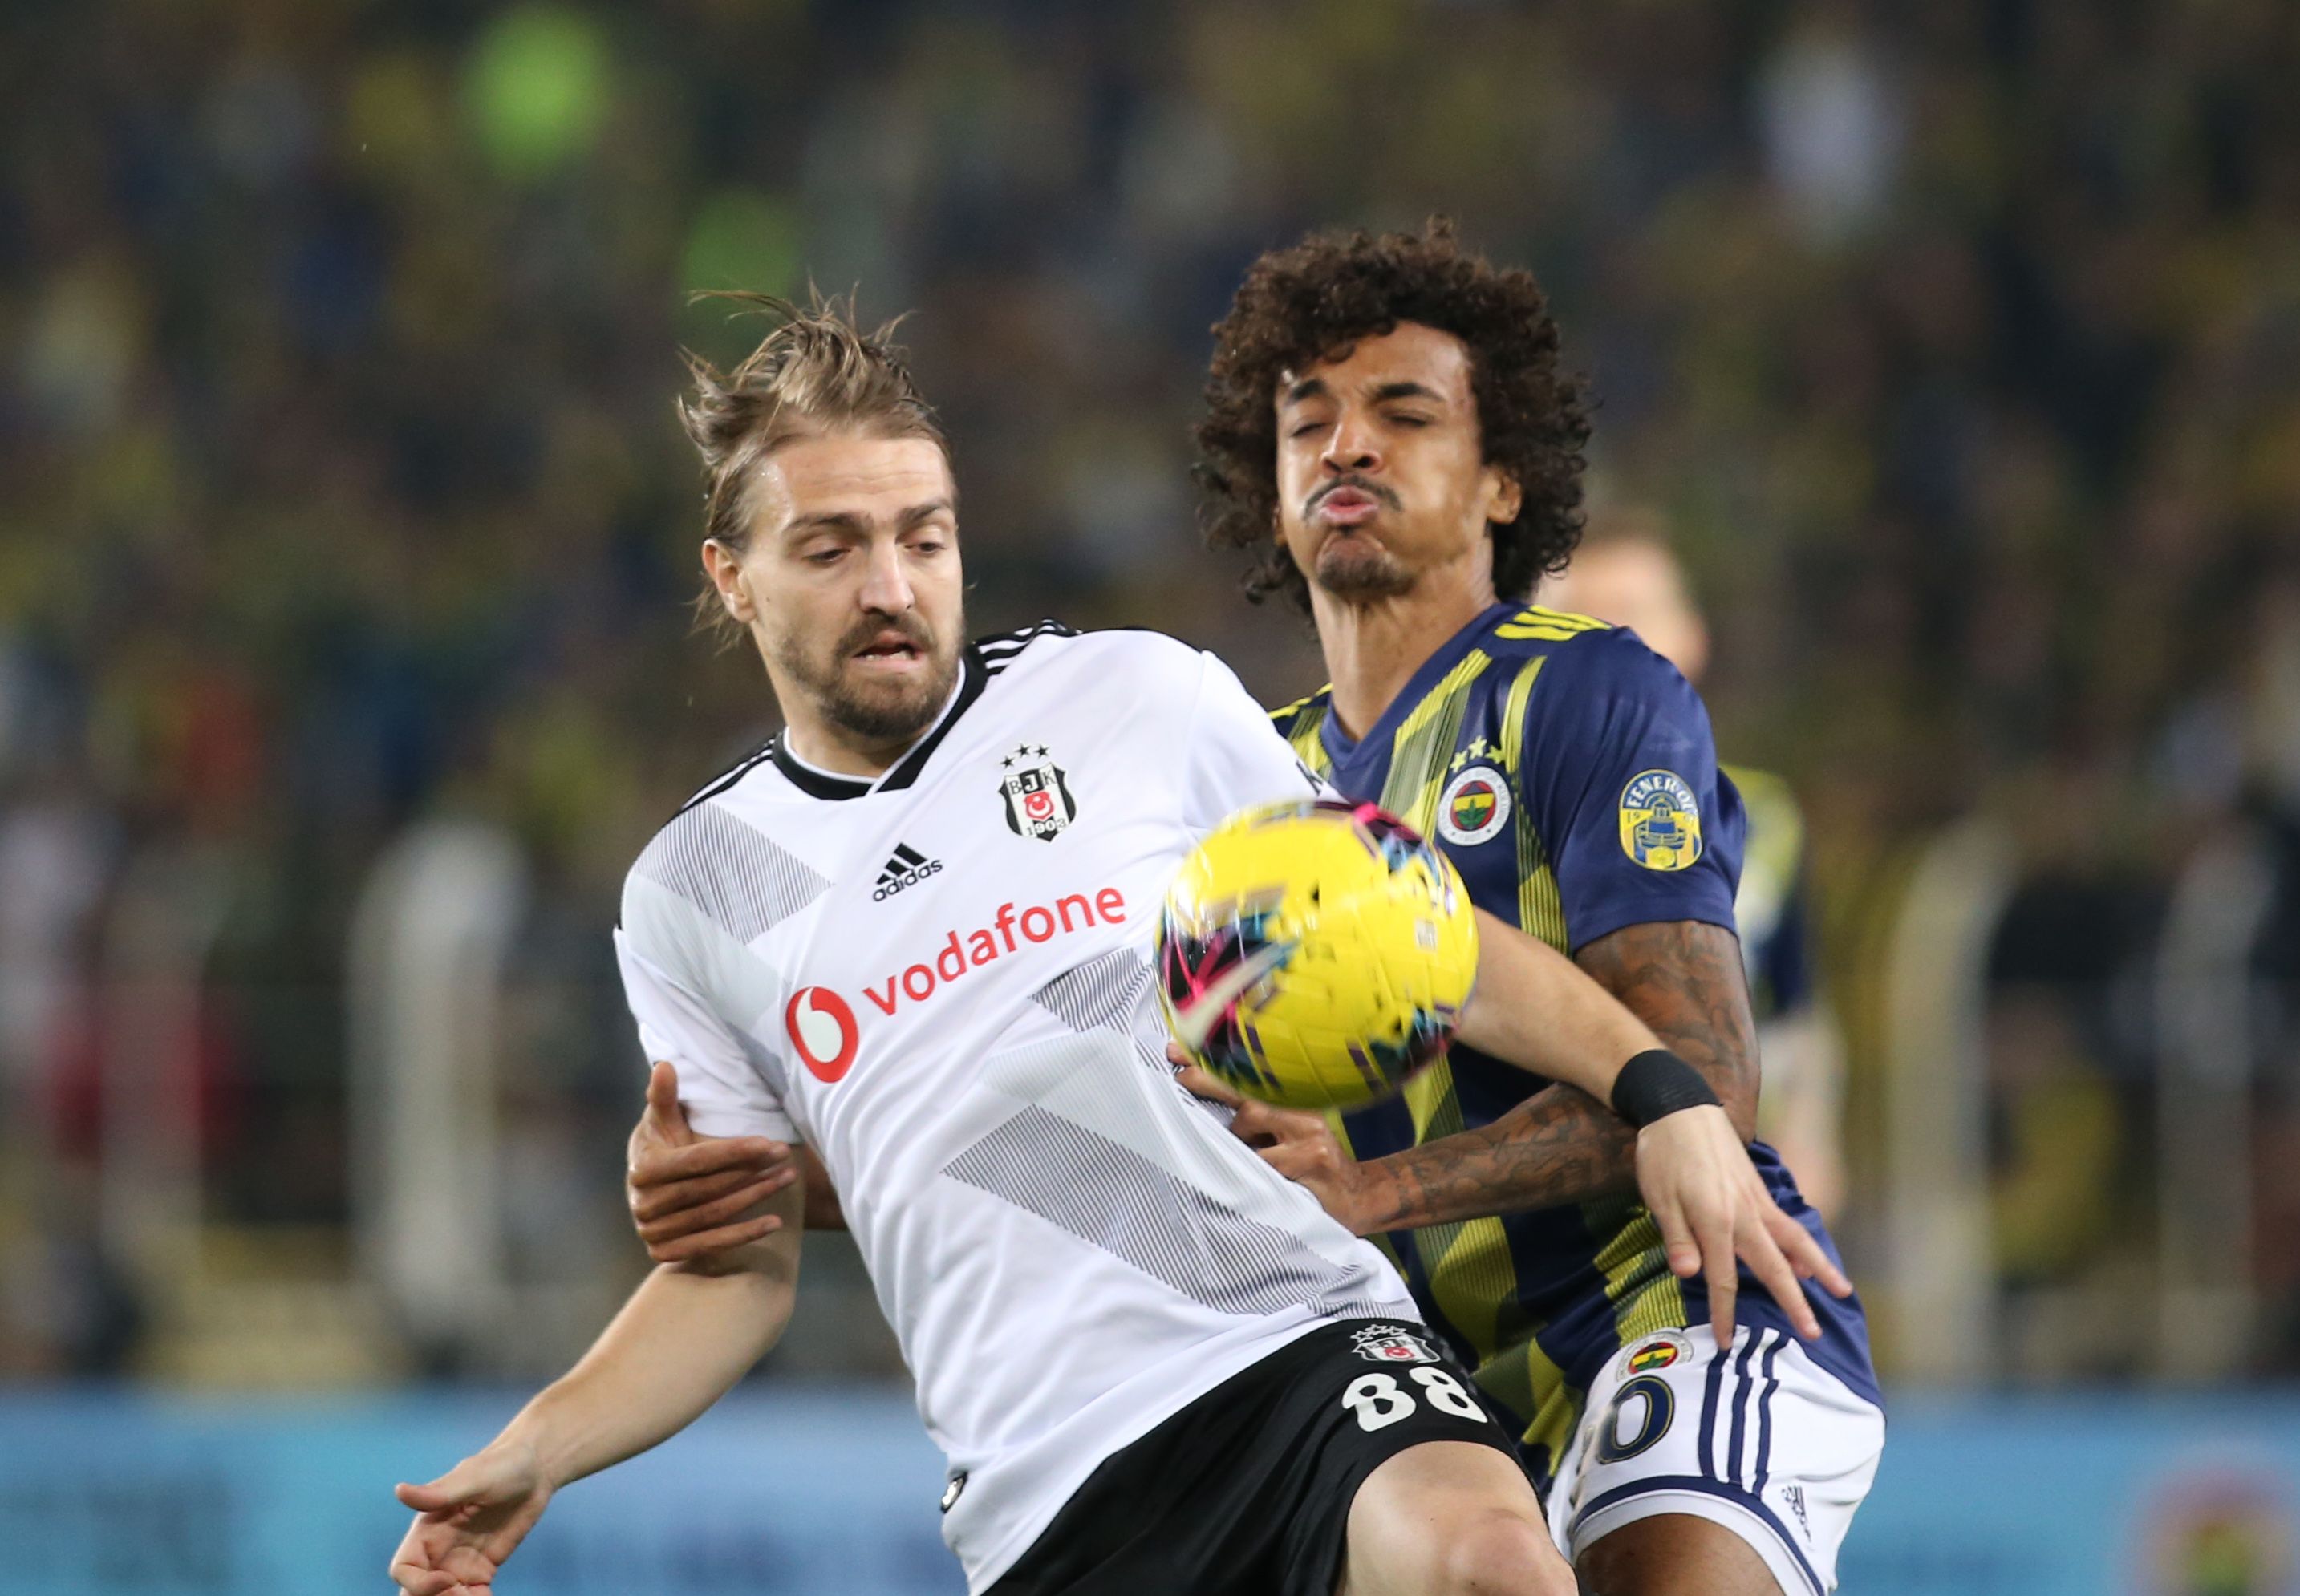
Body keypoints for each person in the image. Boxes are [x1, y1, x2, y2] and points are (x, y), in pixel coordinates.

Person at [389, 295, 1835, 1596]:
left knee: (1489, 1563)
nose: (890, 583)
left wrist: (1655, 1086)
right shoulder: (694, 889)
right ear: (733, 577)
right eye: (829, 548)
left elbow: (1421, 934)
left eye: (923, 538)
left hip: (1294, 1340)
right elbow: (735, 1270)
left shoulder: (1130, 697)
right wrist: (536, 1452)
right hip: (1044, 1483)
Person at [1188, 222, 1883, 1596]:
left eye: (1403, 414)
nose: (1345, 446)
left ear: (1502, 481)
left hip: (1678, 1307)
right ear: (1269, 491)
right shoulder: (1241, 782)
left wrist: (1373, 1191)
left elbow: (1702, 1075)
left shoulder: (1585, 692)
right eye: (1307, 422)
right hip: (1427, 1401)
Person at [1541, 514, 1848, 1221]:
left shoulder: (1764, 817)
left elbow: (1795, 1010)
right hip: (1566, 1199)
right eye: (1581, 624)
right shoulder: (1493, 824)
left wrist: (1812, 1141)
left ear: (1691, 636)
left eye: (1634, 617)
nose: (1613, 648)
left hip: (1739, 1184)